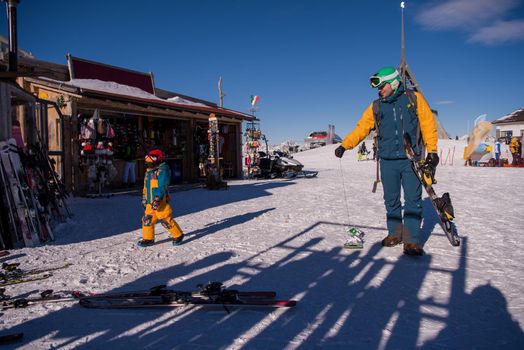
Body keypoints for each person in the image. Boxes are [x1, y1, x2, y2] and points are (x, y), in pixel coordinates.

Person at [334, 66, 439, 256]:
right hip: (387, 160)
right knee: (391, 200)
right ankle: (395, 233)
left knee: (413, 200)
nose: (379, 90)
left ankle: (411, 241)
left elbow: (427, 123)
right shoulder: (376, 106)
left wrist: (432, 151)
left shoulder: (413, 98)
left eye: (381, 86)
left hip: (411, 160)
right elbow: (362, 128)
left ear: (393, 83)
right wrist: (345, 145)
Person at [138, 149, 184, 247]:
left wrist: (157, 198)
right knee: (147, 219)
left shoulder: (163, 170)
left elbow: (162, 185)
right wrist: (144, 197)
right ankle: (148, 238)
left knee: (165, 219)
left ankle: (178, 235)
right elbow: (146, 186)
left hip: (160, 201)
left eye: (152, 160)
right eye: (148, 162)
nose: (149, 164)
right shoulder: (149, 171)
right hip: (150, 201)